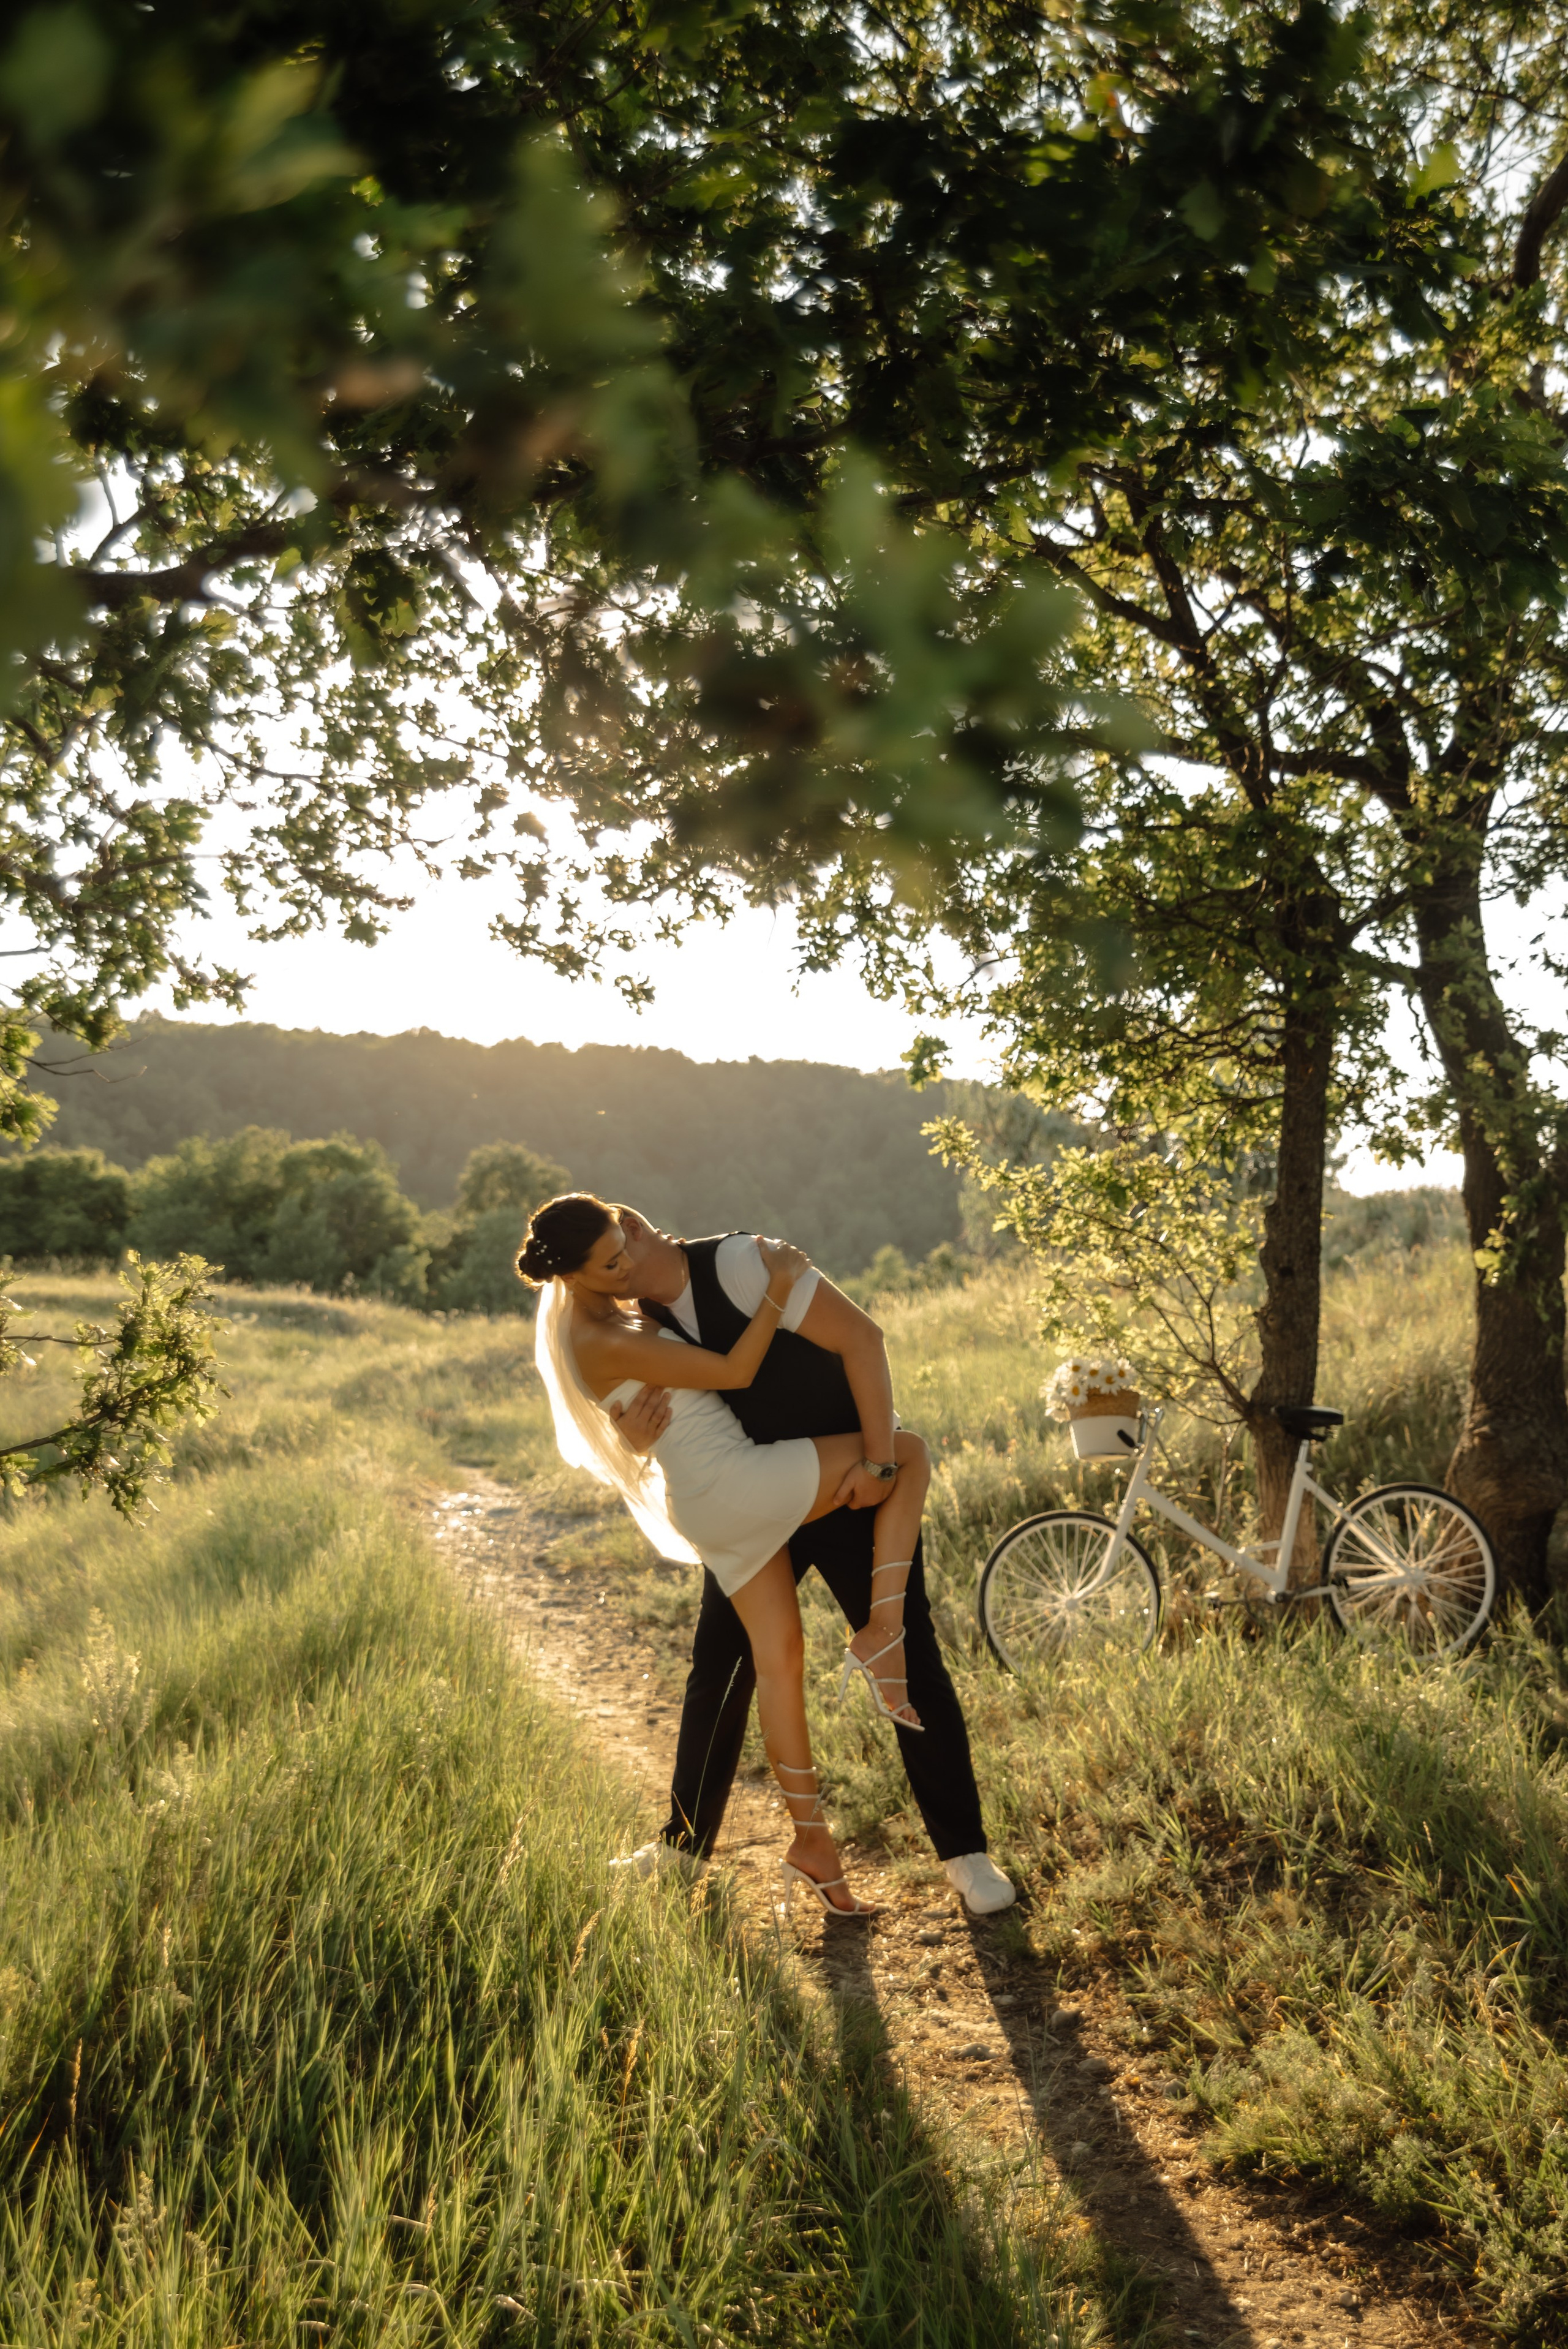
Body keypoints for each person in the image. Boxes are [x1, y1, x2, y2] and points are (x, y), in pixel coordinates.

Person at [521, 1191, 933, 1916]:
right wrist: (775, 1289)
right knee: (902, 1452)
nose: (625, 1269)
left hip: (711, 1497)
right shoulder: (598, 1336)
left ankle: (813, 1847)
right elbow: (736, 1372)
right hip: (733, 1480)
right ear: (573, 1277)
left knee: (779, 1662)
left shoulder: (609, 1319)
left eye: (624, 1249)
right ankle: (882, 1633)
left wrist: (631, 1432)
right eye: (609, 1264)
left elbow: (654, 1399)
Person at [603, 1208, 1015, 1916]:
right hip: (754, 1499)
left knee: (907, 1649)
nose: (610, 1282)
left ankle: (965, 1854)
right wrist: (635, 1439)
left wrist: (882, 1460)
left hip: (844, 1483)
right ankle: (681, 1846)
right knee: (720, 1667)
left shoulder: (743, 1264)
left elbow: (863, 1338)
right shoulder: (637, 1320)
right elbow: (669, 1422)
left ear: (637, 1231)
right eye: (598, 1273)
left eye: (614, 1262)